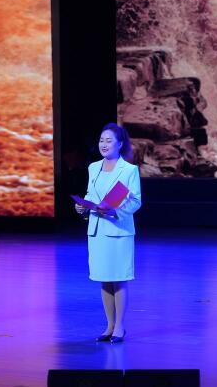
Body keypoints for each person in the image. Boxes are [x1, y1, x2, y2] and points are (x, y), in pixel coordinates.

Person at [75, 123, 141, 343]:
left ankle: (120, 326)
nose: (103, 144)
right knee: (103, 278)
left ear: (120, 144)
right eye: (101, 140)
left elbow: (136, 201)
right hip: (97, 230)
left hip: (118, 230)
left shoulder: (129, 170)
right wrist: (83, 206)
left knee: (119, 278)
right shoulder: (93, 167)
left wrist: (116, 212)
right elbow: (90, 194)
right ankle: (109, 325)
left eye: (109, 140)